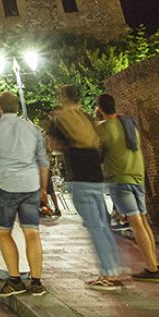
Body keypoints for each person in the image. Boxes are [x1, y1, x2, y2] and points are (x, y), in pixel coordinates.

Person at [46, 85, 123, 291]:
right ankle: (114, 270)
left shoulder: (60, 118)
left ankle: (108, 274)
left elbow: (52, 145)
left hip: (78, 177)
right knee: (103, 225)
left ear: (62, 97)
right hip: (96, 176)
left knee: (94, 227)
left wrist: (63, 145)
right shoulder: (87, 117)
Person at [0, 91, 50, 297]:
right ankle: (37, 282)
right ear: (18, 107)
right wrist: (43, 188)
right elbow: (42, 161)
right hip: (30, 184)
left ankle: (15, 280)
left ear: (0, 108)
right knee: (32, 232)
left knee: (4, 232)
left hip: (7, 186)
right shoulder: (32, 128)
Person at [96, 93, 159, 283]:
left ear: (99, 108)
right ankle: (154, 264)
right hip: (137, 175)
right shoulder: (129, 124)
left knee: (135, 223)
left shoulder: (103, 128)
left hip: (120, 178)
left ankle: (152, 268)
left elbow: (98, 152)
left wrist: (97, 120)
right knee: (143, 221)